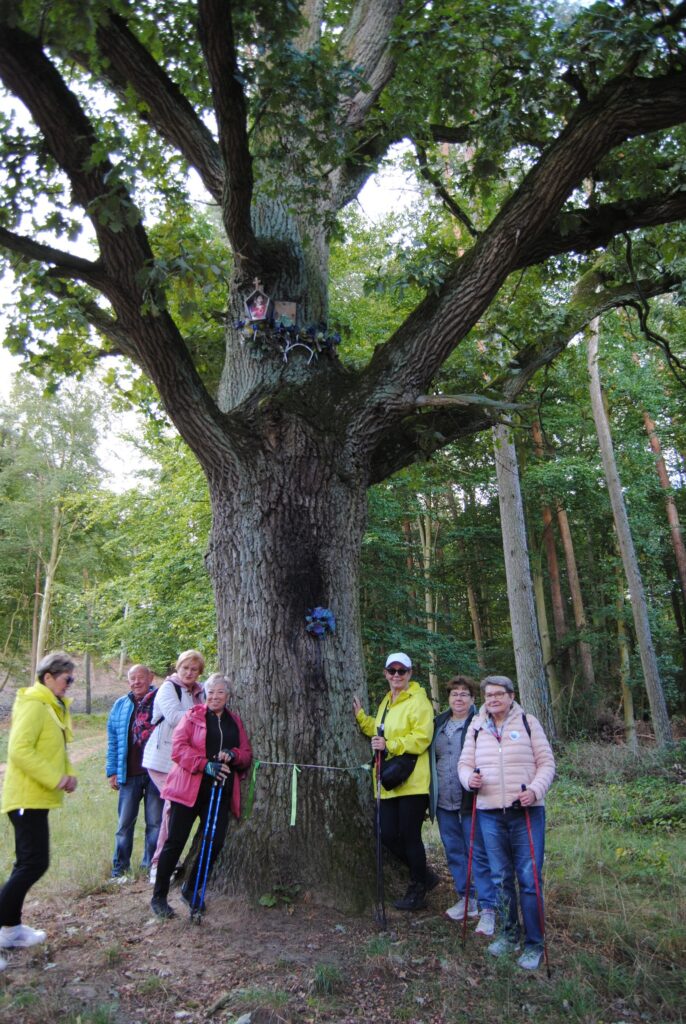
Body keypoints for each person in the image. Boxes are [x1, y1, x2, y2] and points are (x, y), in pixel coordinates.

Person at [458, 674, 555, 970]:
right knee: (501, 879)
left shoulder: (528, 722)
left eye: (499, 694)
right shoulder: (476, 727)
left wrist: (535, 790)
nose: (493, 699)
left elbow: (547, 763)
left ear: (511, 696)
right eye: (489, 695)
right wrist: (468, 780)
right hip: (488, 812)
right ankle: (509, 934)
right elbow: (463, 765)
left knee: (529, 880)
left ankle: (534, 943)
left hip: (525, 812)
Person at [150, 673, 252, 918]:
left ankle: (192, 888)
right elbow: (178, 749)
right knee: (175, 842)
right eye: (211, 692)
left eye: (220, 692)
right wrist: (204, 764)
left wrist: (233, 755)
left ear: (228, 696)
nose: (215, 697)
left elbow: (246, 753)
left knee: (214, 843)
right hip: (189, 789)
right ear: (205, 694)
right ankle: (159, 897)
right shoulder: (192, 716)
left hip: (219, 791)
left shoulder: (234, 721)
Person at [0, 652, 78, 967]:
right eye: (66, 679)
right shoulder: (34, 704)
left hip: (36, 799)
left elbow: (54, 747)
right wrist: (54, 777)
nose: (69, 685)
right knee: (32, 864)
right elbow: (19, 750)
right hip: (25, 798)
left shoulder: (50, 705)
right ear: (48, 676)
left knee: (30, 863)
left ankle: (12, 929)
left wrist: (67, 774)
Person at [353, 652, 435, 911]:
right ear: (386, 673)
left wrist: (391, 745)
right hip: (388, 782)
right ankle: (424, 874)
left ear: (410, 674)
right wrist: (362, 719)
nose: (397, 676)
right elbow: (379, 730)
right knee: (387, 834)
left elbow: (422, 737)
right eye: (392, 671)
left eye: (402, 671)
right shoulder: (387, 701)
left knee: (410, 836)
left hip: (412, 781)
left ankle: (418, 890)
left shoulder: (419, 701)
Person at [429, 675, 497, 935]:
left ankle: (488, 905)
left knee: (477, 852)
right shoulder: (439, 723)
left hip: (471, 799)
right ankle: (467, 899)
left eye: (464, 694)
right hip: (443, 800)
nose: (458, 698)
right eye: (454, 693)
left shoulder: (480, 723)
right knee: (454, 851)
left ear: (472, 699)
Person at [142, 649, 205, 883]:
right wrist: (204, 715)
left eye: (194, 669)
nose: (189, 673)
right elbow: (176, 718)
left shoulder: (198, 691)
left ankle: (167, 859)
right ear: (177, 668)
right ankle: (159, 864)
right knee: (172, 807)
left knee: (175, 809)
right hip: (162, 759)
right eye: (185, 668)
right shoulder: (168, 688)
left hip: (183, 762)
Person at [105, 664, 163, 881]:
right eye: (132, 678)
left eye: (141, 677)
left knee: (155, 823)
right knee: (124, 824)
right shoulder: (120, 705)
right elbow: (113, 741)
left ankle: (151, 867)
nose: (136, 682)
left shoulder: (160, 700)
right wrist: (111, 771)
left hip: (155, 773)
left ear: (151, 677)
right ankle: (120, 870)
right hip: (128, 774)